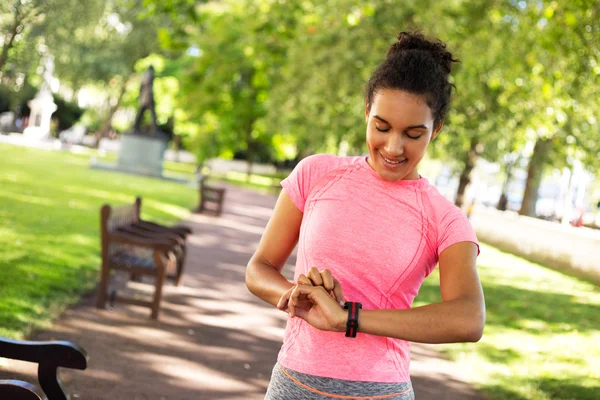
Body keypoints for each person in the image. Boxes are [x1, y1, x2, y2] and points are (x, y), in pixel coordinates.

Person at [246, 31, 485, 400]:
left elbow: (469, 319)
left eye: (413, 134)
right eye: (382, 126)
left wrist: (348, 319)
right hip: (294, 384)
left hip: (380, 392)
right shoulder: (316, 174)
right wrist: (292, 295)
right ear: (366, 114)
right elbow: (259, 268)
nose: (393, 147)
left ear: (435, 130)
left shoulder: (446, 219)